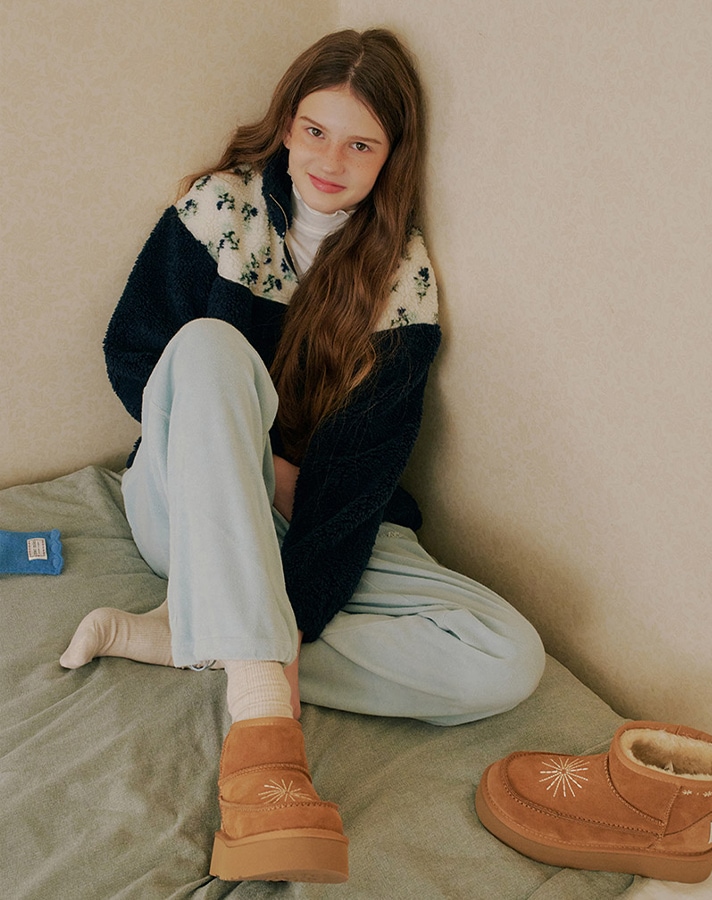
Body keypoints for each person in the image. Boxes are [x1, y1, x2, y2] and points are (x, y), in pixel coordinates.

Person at [60, 28, 546, 883]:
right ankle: (260, 712)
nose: (330, 159)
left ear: (391, 157)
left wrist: (298, 584)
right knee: (207, 346)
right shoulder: (221, 210)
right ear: (287, 124)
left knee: (508, 657)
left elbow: (363, 478)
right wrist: (249, 462)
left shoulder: (403, 279)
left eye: (361, 144)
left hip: (318, 521)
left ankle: (200, 634)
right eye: (316, 131)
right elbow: (134, 352)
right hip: (193, 507)